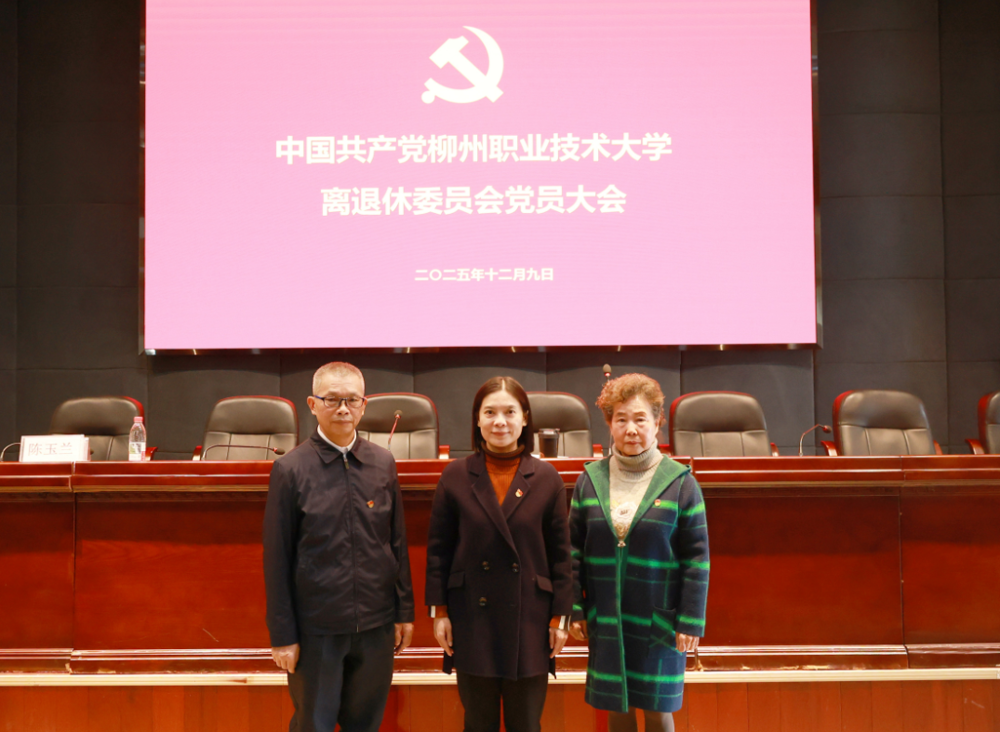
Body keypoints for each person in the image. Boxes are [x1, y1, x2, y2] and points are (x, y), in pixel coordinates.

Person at [263, 361, 415, 732]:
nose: (343, 409)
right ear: (313, 404)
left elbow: (397, 543)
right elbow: (277, 558)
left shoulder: (382, 463)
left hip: (377, 624)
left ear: (364, 405)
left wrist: (403, 612)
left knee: (366, 724)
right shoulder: (291, 469)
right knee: (313, 724)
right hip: (317, 628)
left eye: (352, 400)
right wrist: (283, 636)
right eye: (332, 399)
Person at [425, 376, 573, 732]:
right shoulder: (455, 476)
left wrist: (560, 619)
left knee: (527, 724)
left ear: (525, 418)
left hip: (531, 619)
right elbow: (438, 552)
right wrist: (439, 612)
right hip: (471, 618)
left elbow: (562, 557)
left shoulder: (547, 478)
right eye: (490, 412)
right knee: (478, 723)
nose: (500, 422)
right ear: (477, 419)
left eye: (510, 412)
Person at [569, 374, 709, 732]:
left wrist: (690, 619)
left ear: (657, 422)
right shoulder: (590, 480)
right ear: (609, 424)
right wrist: (576, 609)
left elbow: (697, 559)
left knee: (658, 710)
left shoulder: (681, 483)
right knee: (617, 708)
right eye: (621, 419)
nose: (631, 429)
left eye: (640, 419)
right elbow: (572, 552)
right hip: (607, 616)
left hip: (658, 620)